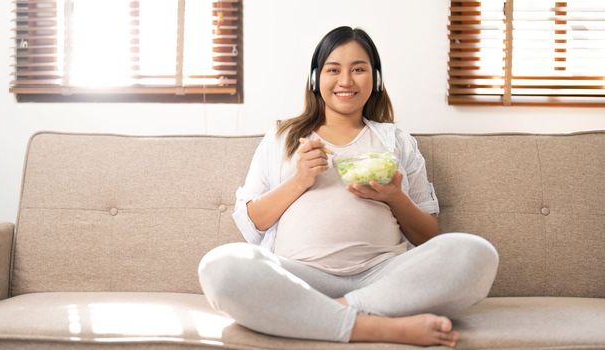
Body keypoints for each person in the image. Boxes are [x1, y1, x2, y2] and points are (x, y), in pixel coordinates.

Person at [198, 26, 499, 347]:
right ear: (315, 79)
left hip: (383, 276)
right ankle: (377, 327)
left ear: (376, 79)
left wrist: (395, 198)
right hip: (298, 276)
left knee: (477, 254)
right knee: (220, 266)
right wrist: (299, 180)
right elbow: (252, 224)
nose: (346, 81)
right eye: (333, 70)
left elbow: (428, 236)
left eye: (359, 69)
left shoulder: (396, 140)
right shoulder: (282, 136)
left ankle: (323, 315)